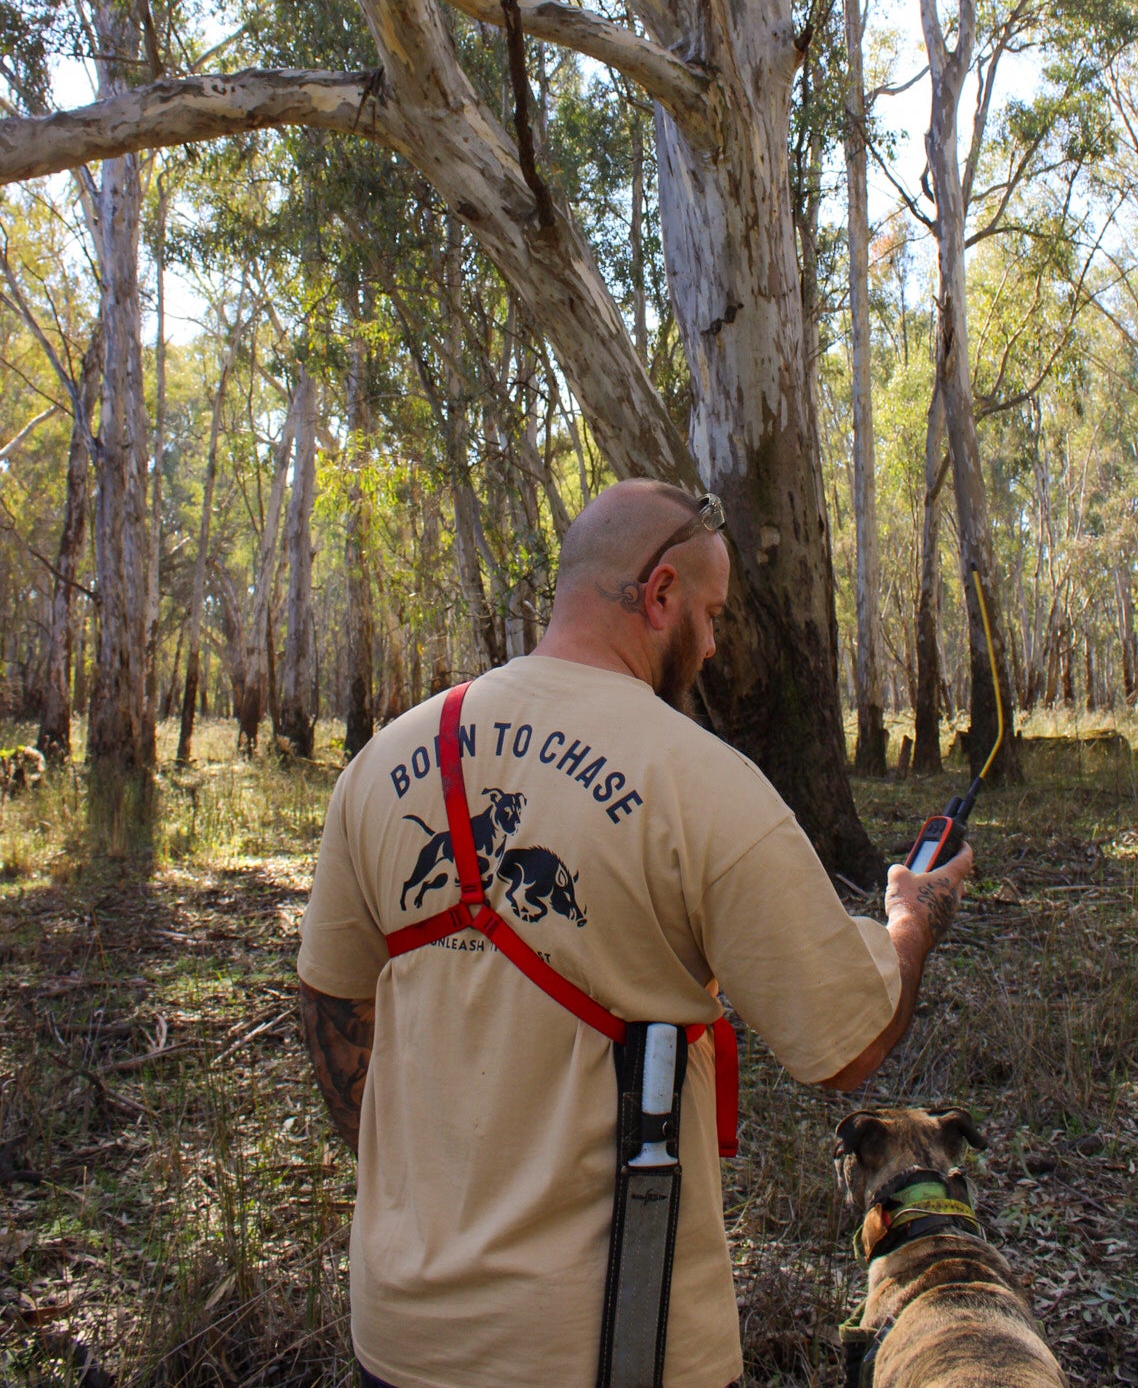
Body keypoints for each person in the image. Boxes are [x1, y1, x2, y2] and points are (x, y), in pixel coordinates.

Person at [297, 479, 972, 1388]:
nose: (713, 643)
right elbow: (850, 1044)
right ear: (659, 595)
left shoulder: (378, 767)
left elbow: (336, 1020)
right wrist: (913, 918)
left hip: (401, 1340)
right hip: (620, 1349)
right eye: (710, 614)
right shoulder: (703, 781)